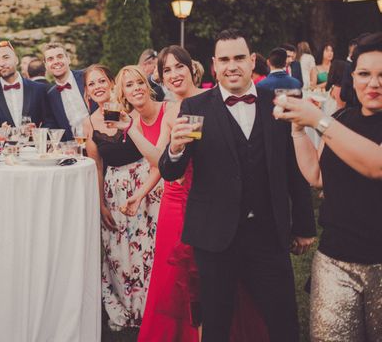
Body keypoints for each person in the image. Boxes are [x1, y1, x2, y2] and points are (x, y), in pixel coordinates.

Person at [159, 29, 316, 342]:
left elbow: (294, 169)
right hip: (215, 238)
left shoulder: (281, 106)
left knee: (284, 322)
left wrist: (303, 224)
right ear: (214, 65)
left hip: (268, 235)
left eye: (239, 58)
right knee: (217, 325)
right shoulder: (195, 108)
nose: (232, 66)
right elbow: (170, 170)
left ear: (252, 60)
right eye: (225, 59)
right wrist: (175, 149)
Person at [114, 47, 268, 342]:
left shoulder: (218, 102)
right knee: (175, 281)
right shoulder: (173, 111)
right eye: (166, 70)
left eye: (178, 67)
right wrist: (131, 133)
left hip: (217, 201)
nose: (174, 75)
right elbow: (160, 161)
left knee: (220, 278)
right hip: (175, 203)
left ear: (192, 68)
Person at [273, 31, 382, 341]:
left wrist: (319, 120)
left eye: (381, 75)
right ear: (353, 76)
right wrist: (298, 129)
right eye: (364, 74)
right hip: (335, 261)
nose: (372, 83)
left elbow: (376, 164)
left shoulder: (332, 123)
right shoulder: (344, 118)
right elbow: (317, 176)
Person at [83, 64, 161, 331]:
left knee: (147, 245)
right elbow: (97, 165)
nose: (98, 87)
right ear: (87, 91)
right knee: (117, 249)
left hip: (143, 183)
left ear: (112, 82)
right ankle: (126, 308)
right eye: (92, 84)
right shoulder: (88, 123)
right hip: (113, 189)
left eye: (102, 81)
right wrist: (100, 204)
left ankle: (150, 306)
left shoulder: (131, 108)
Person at [0, 40, 52, 128]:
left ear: (16, 60)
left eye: (6, 57)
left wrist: (36, 132)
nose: (2, 63)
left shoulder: (39, 89)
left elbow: (50, 122)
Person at [43, 42, 89, 141]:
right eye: (50, 59)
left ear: (68, 59)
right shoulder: (51, 96)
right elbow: (53, 126)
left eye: (59, 57)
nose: (56, 62)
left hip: (103, 142)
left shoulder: (87, 76)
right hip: (74, 148)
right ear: (46, 65)